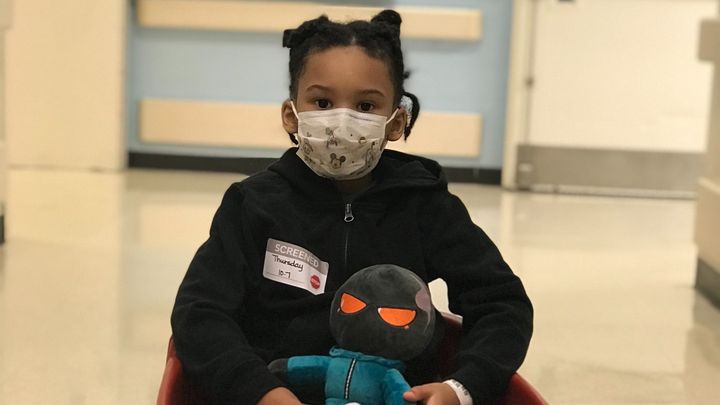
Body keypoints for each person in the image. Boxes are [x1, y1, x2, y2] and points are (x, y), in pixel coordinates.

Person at [171, 9, 533, 405]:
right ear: (292, 116)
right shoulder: (253, 204)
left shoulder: (426, 205)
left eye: (365, 106)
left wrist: (460, 388)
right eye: (323, 101)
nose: (341, 121)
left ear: (396, 123)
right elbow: (200, 313)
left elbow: (502, 303)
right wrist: (261, 391)